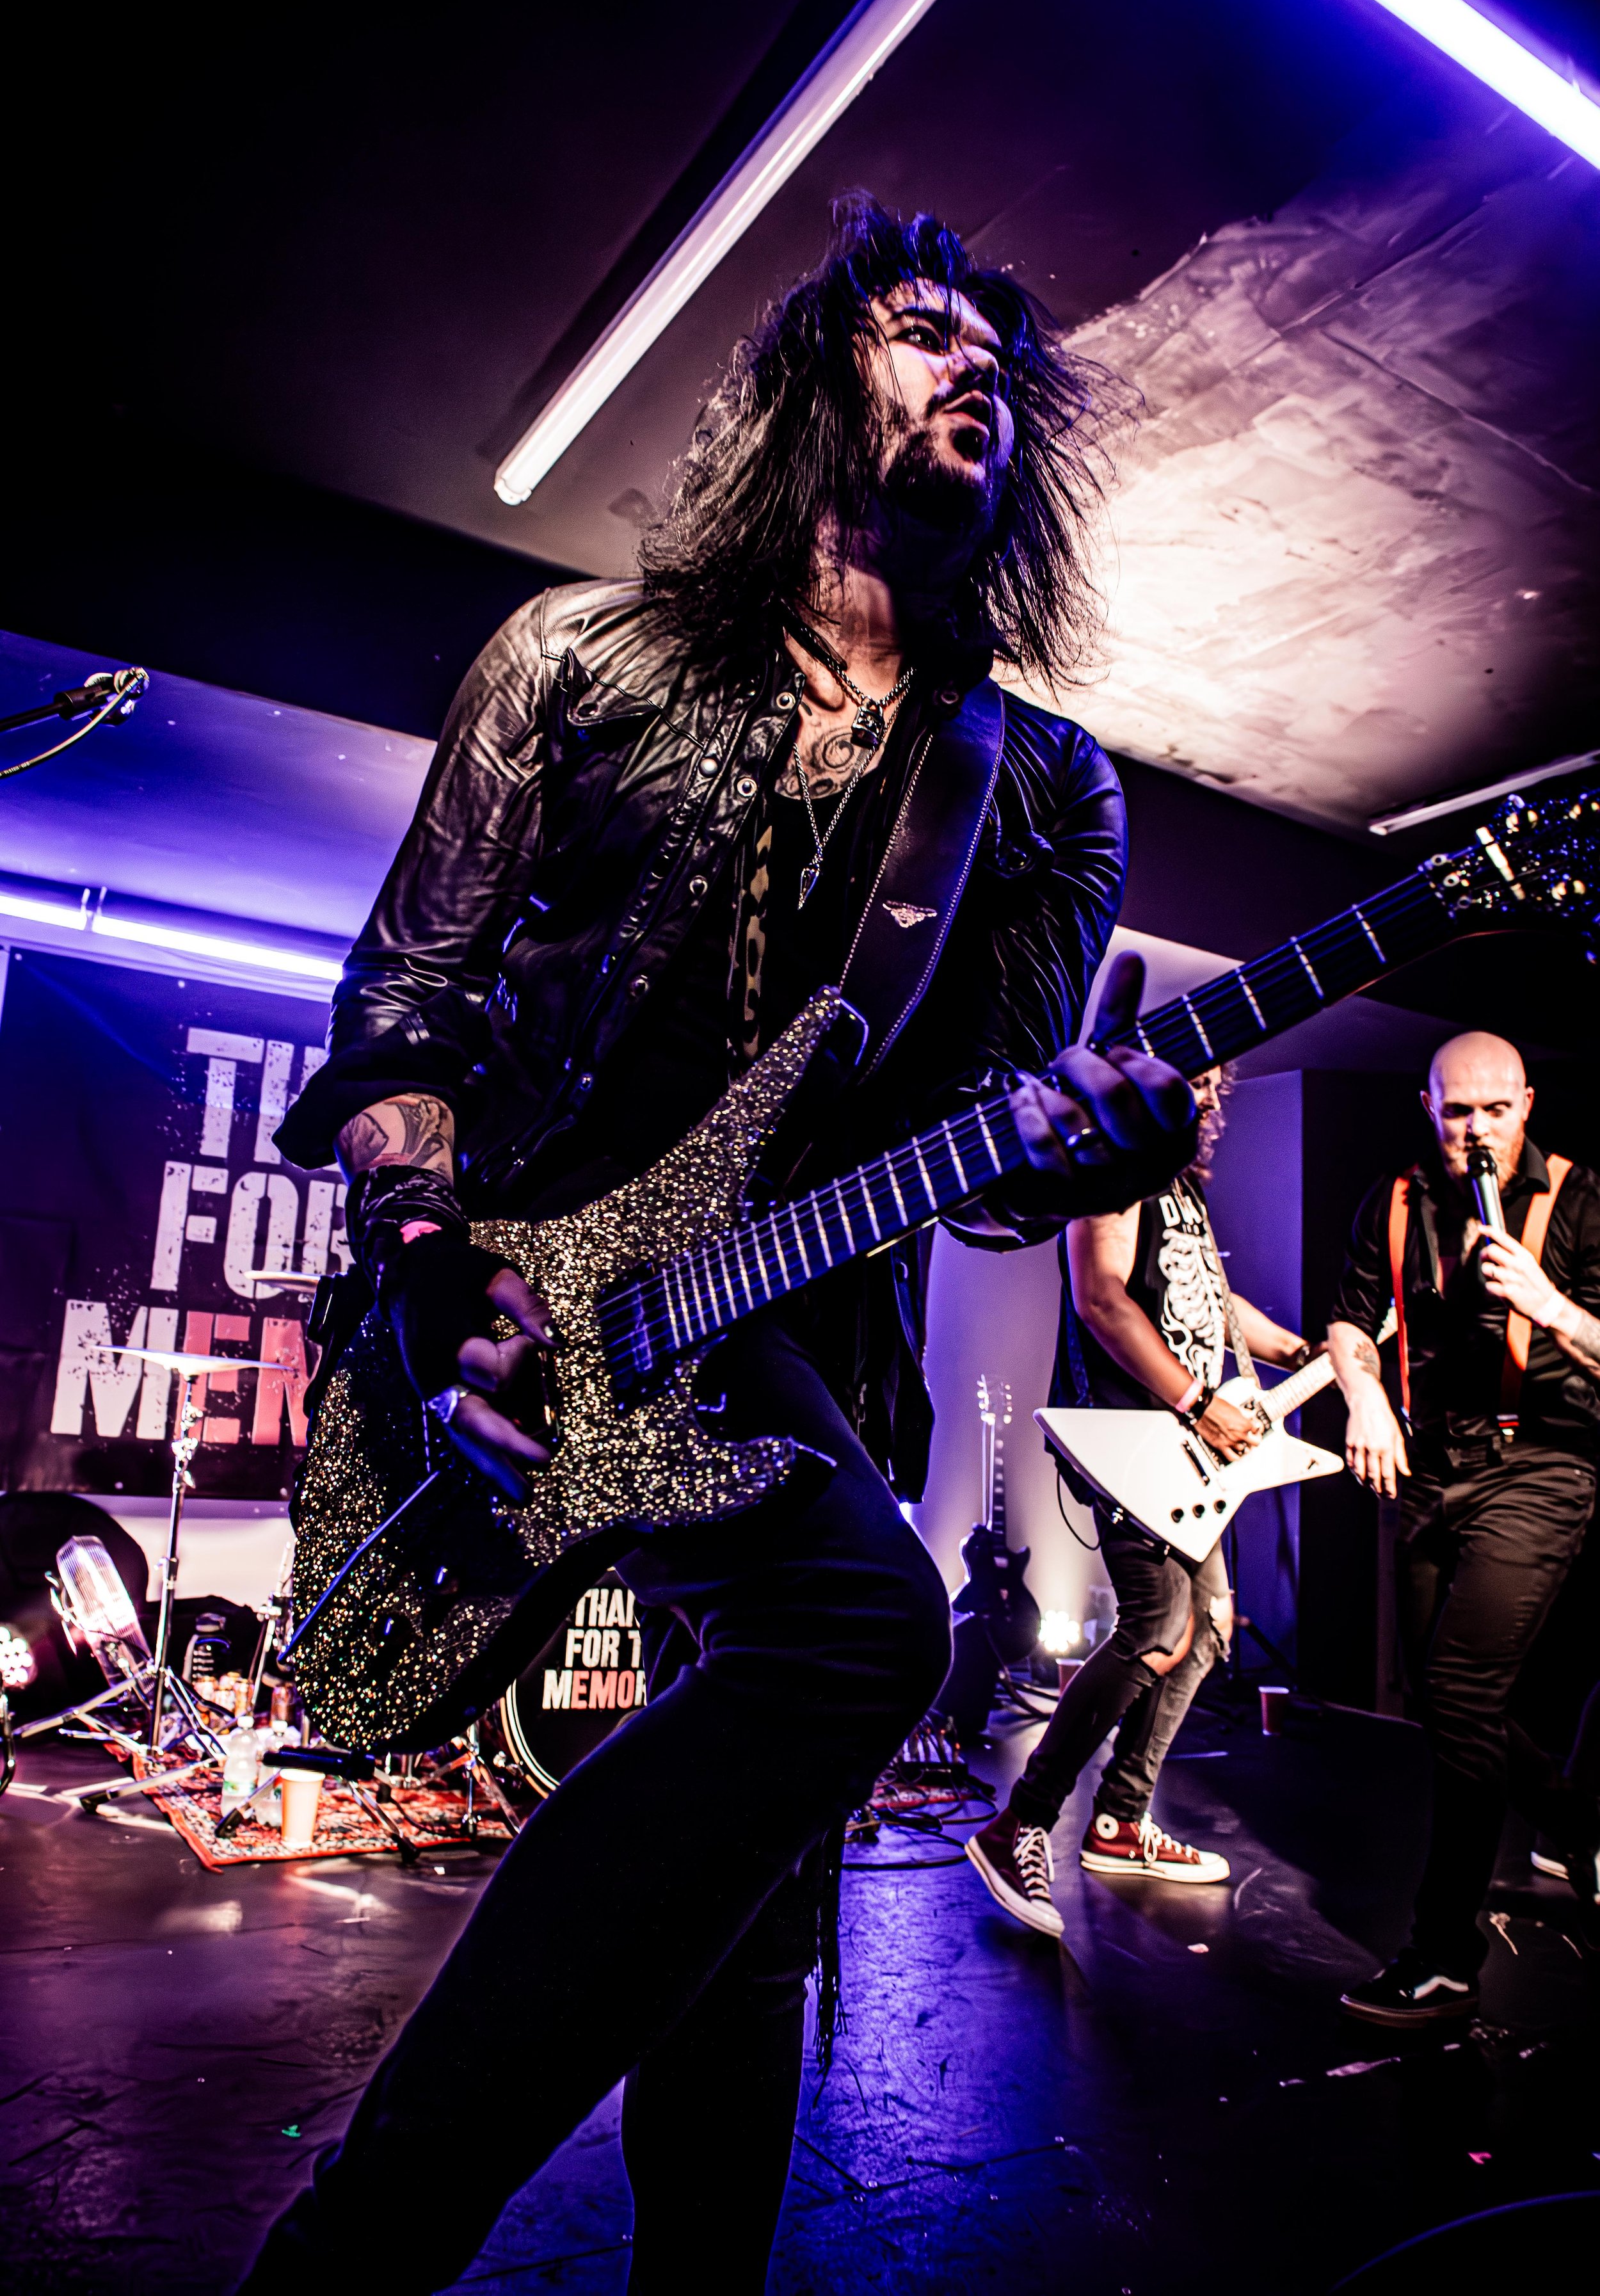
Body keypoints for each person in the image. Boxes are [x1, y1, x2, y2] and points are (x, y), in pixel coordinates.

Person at [239, 198, 1196, 2295]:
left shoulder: (1040, 788)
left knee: (764, 1909)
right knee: (859, 1634)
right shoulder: (576, 658)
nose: (975, 367)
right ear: (806, 385)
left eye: (1001, 358)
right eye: (925, 328)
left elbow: (990, 1154)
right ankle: (354, 2253)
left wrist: (1089, 1148)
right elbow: (401, 1014)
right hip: (498, 1294)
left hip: (787, 1337)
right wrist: (435, 1259)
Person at [967, 1064, 1309, 1938]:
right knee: (1158, 1627)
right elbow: (1101, 1298)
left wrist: (1292, 1347)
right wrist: (1198, 1401)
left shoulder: (1181, 1189)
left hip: (1189, 1454)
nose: (1204, 1093)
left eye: (1214, 1080)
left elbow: (1208, 1302)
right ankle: (1019, 1824)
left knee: (1207, 1629)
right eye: (1189, 1073)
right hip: (1136, 1442)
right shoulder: (1116, 1169)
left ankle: (1121, 1820)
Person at [1329, 1031, 1600, 2026]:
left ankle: (1444, 1954)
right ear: (1428, 1106)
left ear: (1526, 1103)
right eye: (1457, 1111)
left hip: (1544, 1463)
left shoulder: (1582, 1197)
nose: (1475, 1130)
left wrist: (1550, 1304)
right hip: (1431, 1466)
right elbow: (1350, 1319)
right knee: (1442, 1702)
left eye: (1494, 1109)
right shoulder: (1396, 1199)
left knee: (1461, 1688)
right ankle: (1578, 1821)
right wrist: (1364, 1395)